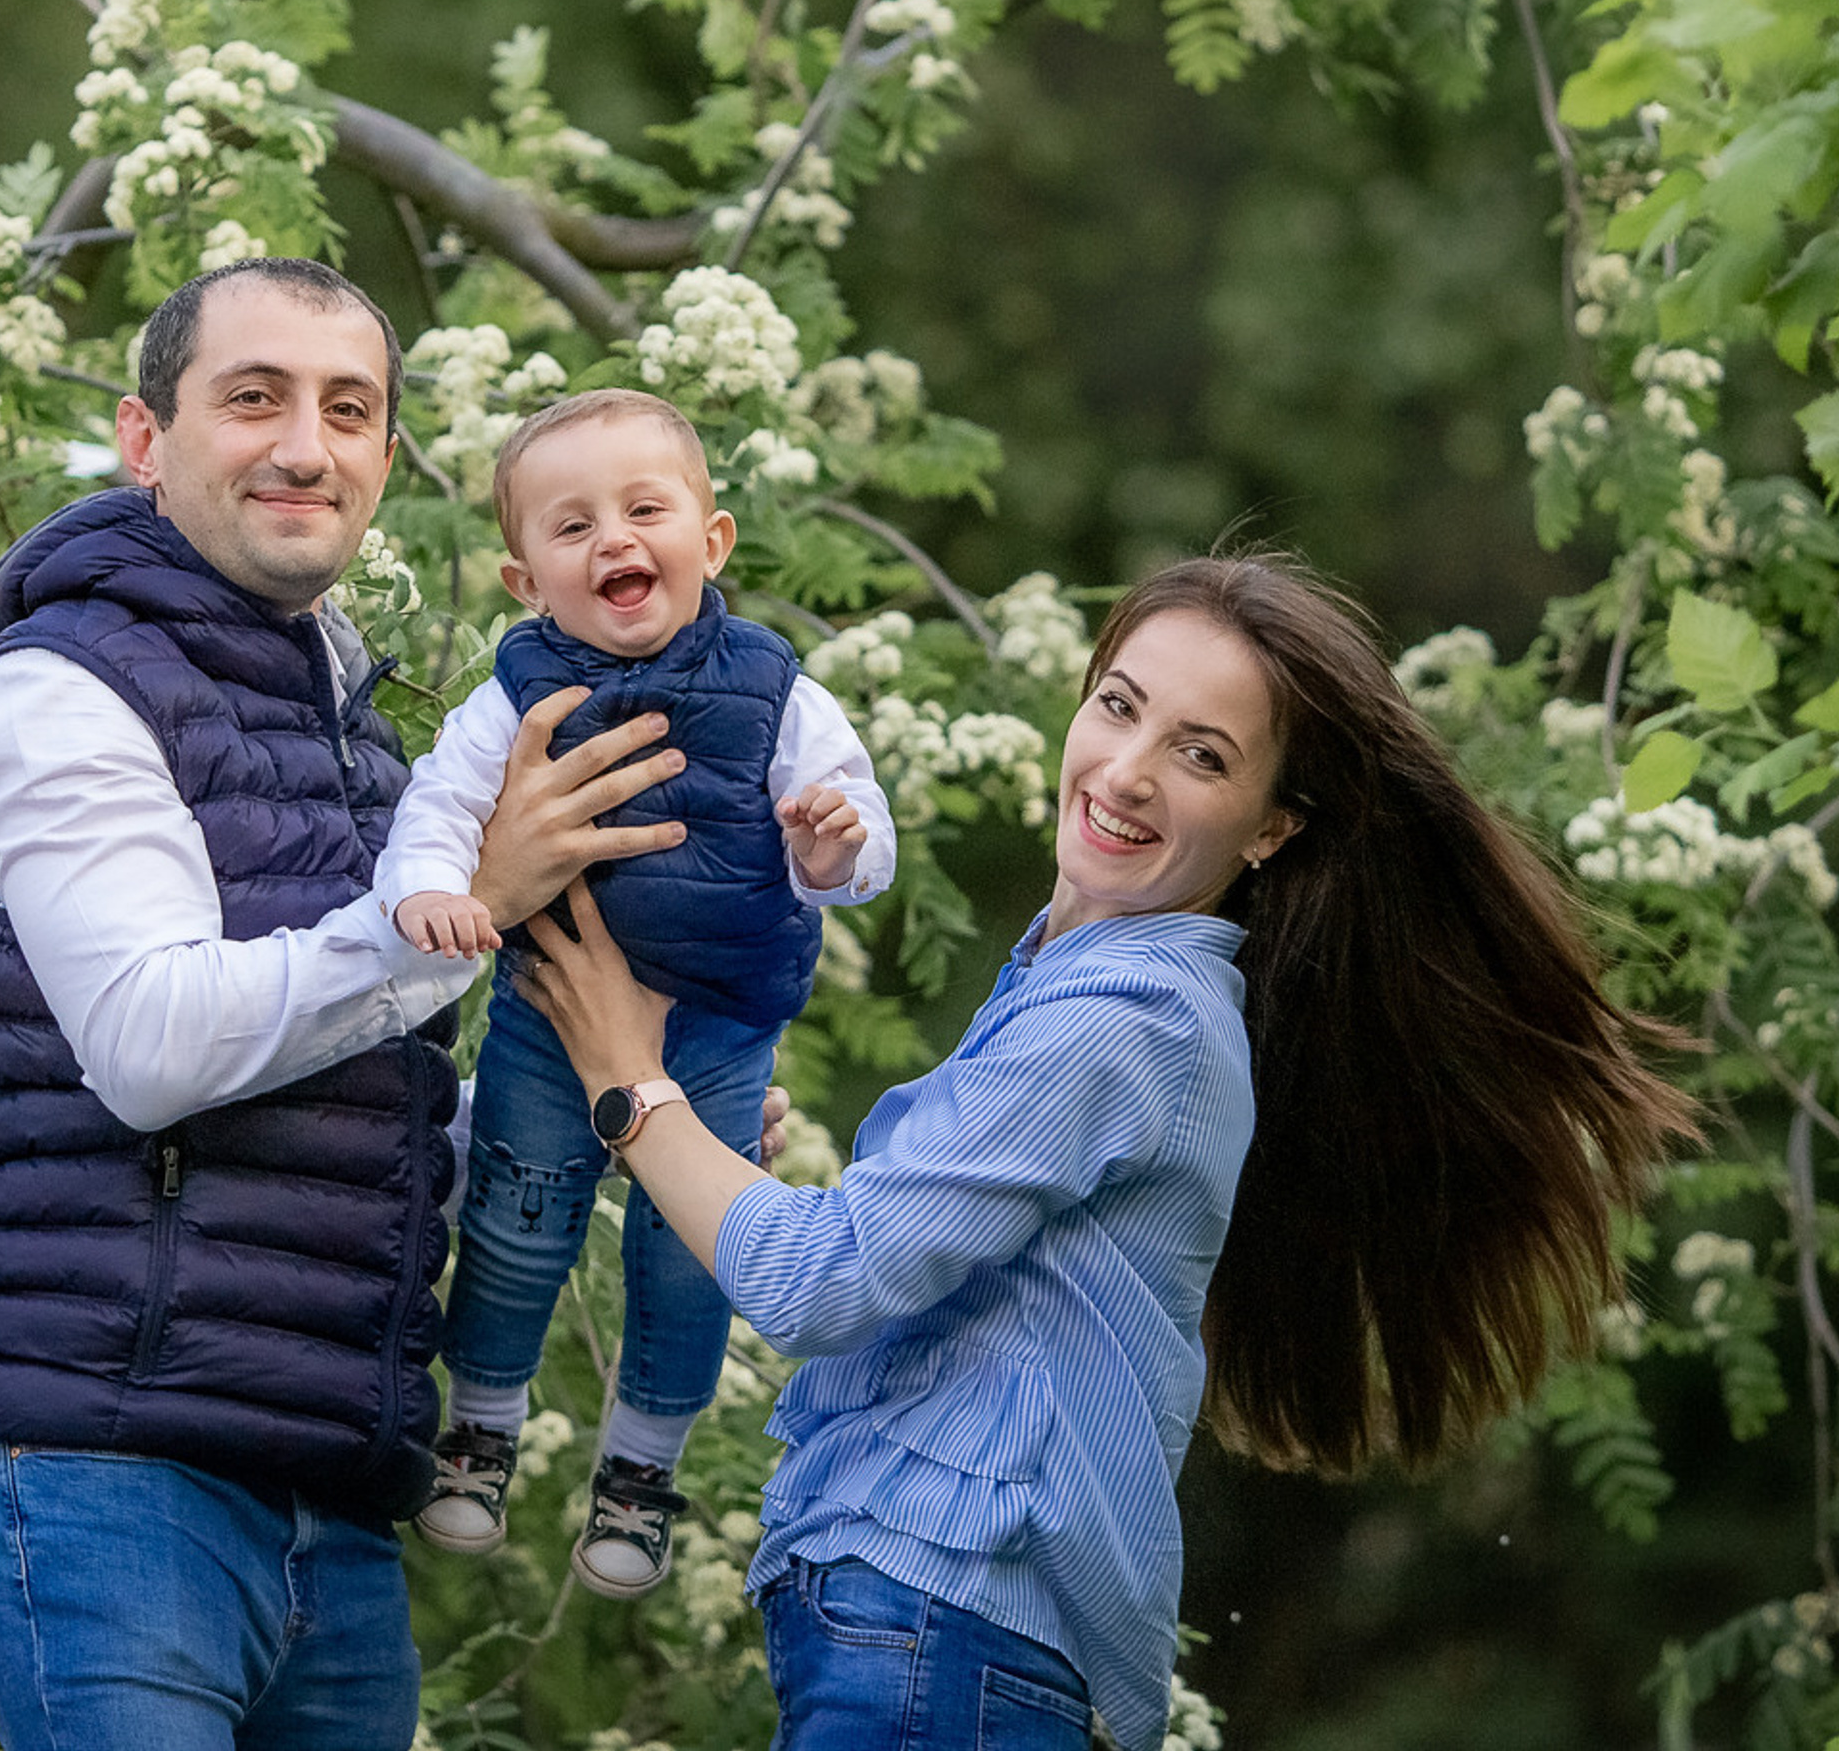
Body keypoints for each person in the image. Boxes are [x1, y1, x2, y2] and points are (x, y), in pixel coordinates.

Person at [514, 551, 1698, 1751]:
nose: (1126, 773)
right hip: (934, 1640)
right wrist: (703, 1154)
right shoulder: (1083, 977)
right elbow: (925, 1285)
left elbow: (823, 1280)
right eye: (1120, 704)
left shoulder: (1125, 1020)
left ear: (1272, 827)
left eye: (1202, 754)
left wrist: (631, 1084)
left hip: (936, 1639)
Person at [0, 258, 706, 1751]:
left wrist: (631, 1109)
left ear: (386, 463)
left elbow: (361, 1101)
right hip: (102, 1460)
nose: (303, 446)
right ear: (146, 441)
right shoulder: (61, 692)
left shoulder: (348, 730)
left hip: (329, 1492)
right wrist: (484, 907)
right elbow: (154, 1047)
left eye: (348, 411)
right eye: (251, 399)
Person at [377, 390, 894, 1597]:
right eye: (571, 526)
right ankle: (481, 1429)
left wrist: (830, 852)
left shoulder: (777, 689)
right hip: (553, 1008)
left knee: (689, 1255)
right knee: (513, 1225)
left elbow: (857, 840)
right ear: (523, 580)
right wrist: (426, 894)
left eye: (644, 509)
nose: (613, 539)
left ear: (709, 542)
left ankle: (641, 1474)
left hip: (718, 1021)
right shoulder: (515, 693)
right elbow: (438, 809)